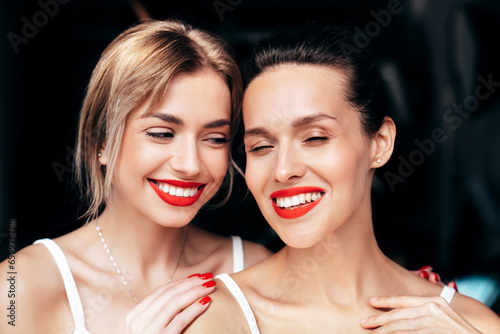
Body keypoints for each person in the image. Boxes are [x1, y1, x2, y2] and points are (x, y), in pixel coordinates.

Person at [184, 21, 500, 333]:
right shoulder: (215, 318)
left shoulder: (471, 324)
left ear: (380, 143)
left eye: (315, 138)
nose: (283, 170)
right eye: (261, 146)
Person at [0, 19, 272, 334]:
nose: (190, 164)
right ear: (101, 139)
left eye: (215, 138)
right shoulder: (21, 287)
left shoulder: (255, 269)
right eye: (161, 133)